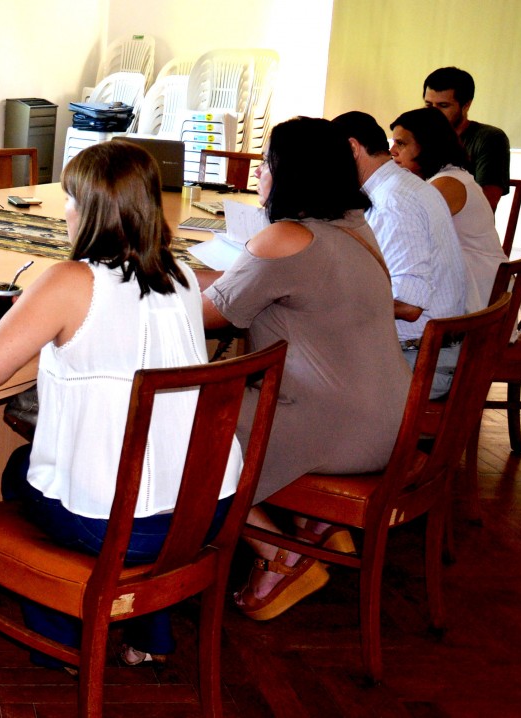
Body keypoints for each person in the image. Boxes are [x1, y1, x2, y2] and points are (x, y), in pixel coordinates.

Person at [0, 138, 241, 669]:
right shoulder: (179, 276)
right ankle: (150, 634)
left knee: (20, 471)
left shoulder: (71, 280)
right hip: (205, 513)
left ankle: (63, 641)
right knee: (135, 480)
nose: (63, 210)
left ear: (87, 209)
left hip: (121, 528)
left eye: (68, 198)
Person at [200, 117, 411, 621]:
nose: (260, 174)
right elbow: (242, 281)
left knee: (179, 426)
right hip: (390, 418)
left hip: (337, 426)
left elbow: (214, 311)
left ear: (288, 172)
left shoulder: (288, 237)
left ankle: (278, 552)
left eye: (266, 164)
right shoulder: (353, 225)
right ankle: (310, 524)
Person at [331, 111, 465, 397]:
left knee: (301, 372)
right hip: (424, 351)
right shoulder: (399, 186)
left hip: (422, 363)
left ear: (352, 149)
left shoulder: (394, 202)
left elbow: (409, 306)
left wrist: (328, 302)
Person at [390, 107, 506, 314]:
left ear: (427, 145)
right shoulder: (445, 177)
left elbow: (402, 231)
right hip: (469, 284)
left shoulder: (447, 184)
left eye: (401, 143)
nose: (392, 152)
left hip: (477, 298)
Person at [423, 67, 510, 211]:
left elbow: (487, 203)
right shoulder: (420, 137)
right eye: (428, 105)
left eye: (443, 106)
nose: (433, 113)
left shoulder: (490, 138)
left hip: (462, 230)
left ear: (466, 105)